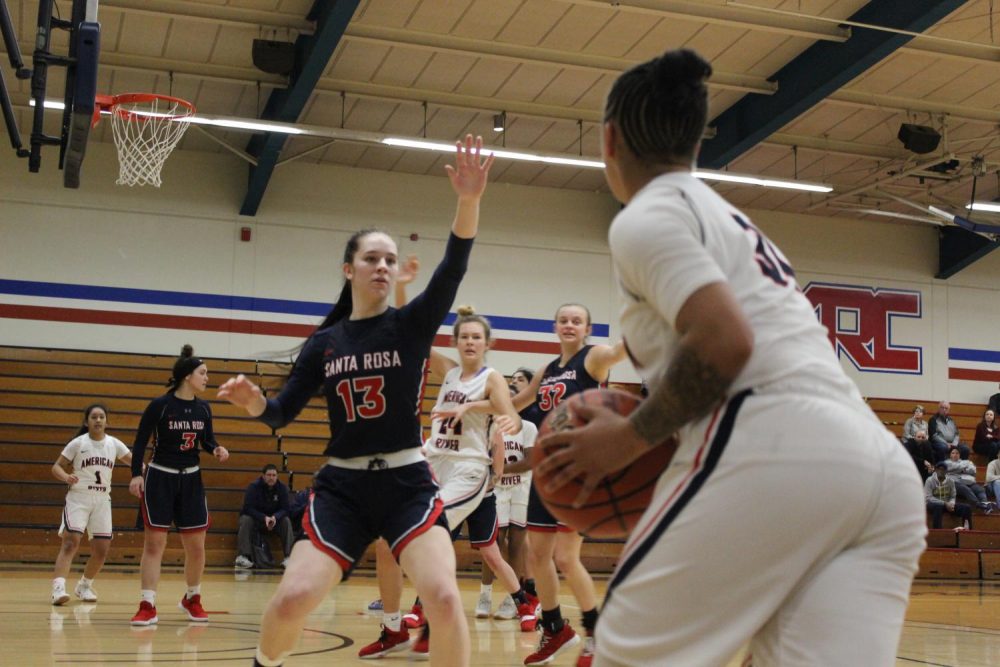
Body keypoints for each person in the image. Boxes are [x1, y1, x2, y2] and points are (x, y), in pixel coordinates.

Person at [535, 48, 926, 666]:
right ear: (694, 142)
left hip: (772, 444)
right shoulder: (736, 222)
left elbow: (724, 340)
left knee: (625, 655)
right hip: (878, 469)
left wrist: (630, 438)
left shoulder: (646, 215)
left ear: (608, 140)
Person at [217, 134, 493, 667]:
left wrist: (469, 200)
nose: (384, 266)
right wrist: (254, 404)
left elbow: (452, 268)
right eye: (372, 258)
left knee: (442, 598)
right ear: (350, 270)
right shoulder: (325, 343)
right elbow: (280, 413)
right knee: (293, 597)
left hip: (408, 483)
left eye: (390, 259)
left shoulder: (411, 325)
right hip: (341, 488)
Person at [509, 303, 626, 666]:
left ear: (587, 327)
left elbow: (623, 349)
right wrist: (473, 404)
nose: (570, 324)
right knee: (536, 555)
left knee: (565, 556)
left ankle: (594, 632)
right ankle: (556, 627)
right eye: (564, 320)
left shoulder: (594, 358)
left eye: (577, 320)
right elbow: (515, 401)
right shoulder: (548, 368)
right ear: (555, 327)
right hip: (546, 472)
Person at [129, 345, 230, 626]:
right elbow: (140, 441)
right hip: (160, 477)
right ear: (188, 376)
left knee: (196, 546)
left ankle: (192, 598)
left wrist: (217, 449)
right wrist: (136, 473)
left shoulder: (204, 408)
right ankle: (147, 604)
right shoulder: (160, 406)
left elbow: (207, 441)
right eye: (204, 373)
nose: (208, 378)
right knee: (154, 544)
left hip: (191, 480)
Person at [50, 404, 132, 605]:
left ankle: (84, 585)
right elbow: (56, 467)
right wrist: (66, 477)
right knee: (70, 543)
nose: (98, 420)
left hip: (102, 500)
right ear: (87, 422)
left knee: (102, 550)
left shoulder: (114, 444)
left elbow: (135, 463)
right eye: (94, 417)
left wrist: (149, 471)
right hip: (79, 498)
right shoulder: (78, 443)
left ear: (106, 421)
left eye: (101, 417)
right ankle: (58, 588)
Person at [477, 388, 538, 621]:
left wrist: (500, 470)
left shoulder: (528, 427)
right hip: (498, 490)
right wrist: (495, 473)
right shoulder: (490, 426)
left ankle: (513, 600)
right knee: (492, 542)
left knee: (516, 546)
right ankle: (485, 594)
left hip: (520, 490)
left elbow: (530, 461)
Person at [235, 464, 294, 570]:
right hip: (257, 520)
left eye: (274, 475)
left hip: (274, 521)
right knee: (245, 519)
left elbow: (285, 509)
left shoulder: (282, 488)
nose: (271, 477)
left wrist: (275, 518)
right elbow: (248, 508)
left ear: (277, 476)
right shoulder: (253, 487)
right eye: (269, 475)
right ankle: (243, 557)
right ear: (263, 476)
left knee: (286, 521)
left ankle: (289, 557)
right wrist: (264, 518)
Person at [943, 447, 992, 512]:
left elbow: (973, 470)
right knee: (965, 488)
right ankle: (977, 503)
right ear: (950, 454)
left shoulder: (967, 461)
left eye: (957, 453)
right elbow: (950, 468)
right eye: (953, 453)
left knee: (980, 490)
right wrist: (964, 468)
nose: (955, 454)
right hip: (955, 483)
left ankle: (985, 504)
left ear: (960, 454)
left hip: (968, 482)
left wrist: (957, 470)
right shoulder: (946, 462)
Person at [926, 462, 972, 530]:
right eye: (939, 469)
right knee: (938, 506)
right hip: (933, 504)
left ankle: (967, 531)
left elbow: (953, 496)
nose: (941, 471)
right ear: (936, 470)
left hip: (947, 504)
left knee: (967, 508)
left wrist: (951, 504)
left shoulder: (951, 481)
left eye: (943, 469)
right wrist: (944, 503)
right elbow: (928, 497)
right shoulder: (929, 480)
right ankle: (938, 531)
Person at [902, 405, 933, 479]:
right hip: (910, 440)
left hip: (922, 440)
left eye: (920, 411)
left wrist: (923, 439)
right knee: (914, 445)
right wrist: (916, 438)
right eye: (916, 411)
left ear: (923, 413)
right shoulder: (909, 421)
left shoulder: (925, 423)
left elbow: (927, 435)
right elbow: (906, 434)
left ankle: (930, 466)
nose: (918, 413)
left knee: (928, 445)